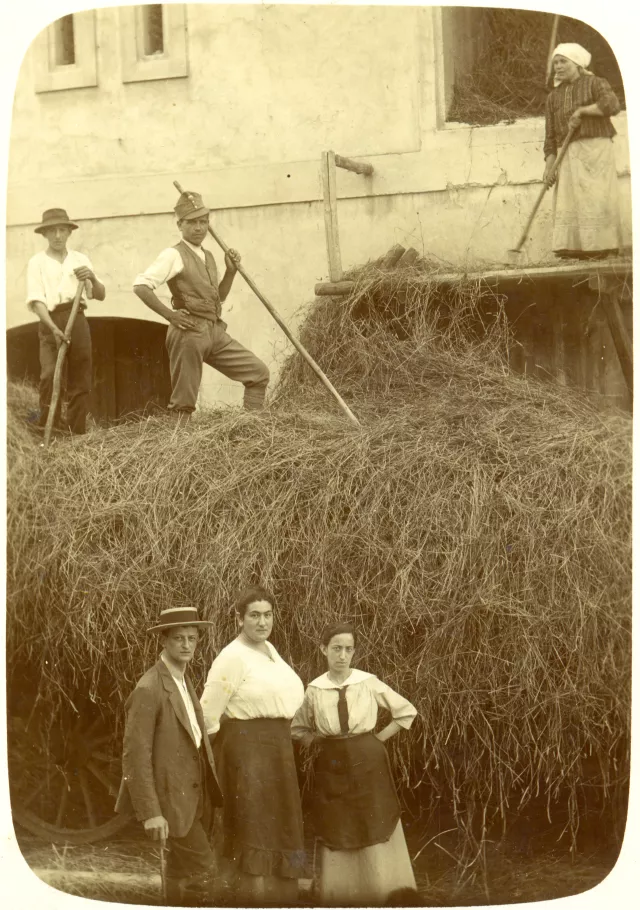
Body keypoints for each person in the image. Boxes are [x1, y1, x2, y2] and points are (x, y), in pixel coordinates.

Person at [292, 623, 418, 907]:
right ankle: (341, 894)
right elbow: (297, 728)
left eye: (349, 649)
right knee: (339, 823)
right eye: (336, 648)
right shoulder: (314, 689)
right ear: (323, 649)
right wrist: (320, 744)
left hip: (368, 762)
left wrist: (378, 740)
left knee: (374, 818)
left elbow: (406, 711)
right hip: (333, 765)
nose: (342, 655)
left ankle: (385, 890)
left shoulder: (368, 682)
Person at [200, 586, 305, 906]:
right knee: (252, 824)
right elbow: (207, 714)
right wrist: (229, 758)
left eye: (268, 615)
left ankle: (280, 898)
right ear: (239, 619)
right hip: (246, 753)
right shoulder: (232, 657)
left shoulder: (270, 651)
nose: (262, 622)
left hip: (277, 751)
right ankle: (250, 898)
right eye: (255, 616)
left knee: (280, 824)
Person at [115, 607, 223, 907]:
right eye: (178, 638)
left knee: (178, 872)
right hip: (171, 803)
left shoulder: (184, 681)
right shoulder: (149, 688)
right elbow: (135, 756)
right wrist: (151, 812)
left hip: (194, 800)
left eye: (192, 638)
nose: (187, 645)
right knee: (205, 871)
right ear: (163, 640)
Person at [133, 191, 270, 422]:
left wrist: (230, 271)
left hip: (213, 331)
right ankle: (179, 449)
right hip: (188, 332)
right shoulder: (173, 254)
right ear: (180, 224)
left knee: (258, 373)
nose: (199, 228)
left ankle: (251, 429)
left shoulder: (208, 256)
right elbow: (141, 286)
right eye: (192, 222)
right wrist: (171, 315)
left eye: (203, 222)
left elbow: (218, 298)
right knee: (184, 402)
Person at [26, 207, 106, 435]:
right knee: (49, 374)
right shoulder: (37, 262)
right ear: (45, 234)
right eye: (52, 231)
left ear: (69, 232)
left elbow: (99, 294)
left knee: (81, 375)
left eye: (62, 230)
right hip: (50, 320)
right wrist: (53, 328)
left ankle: (75, 429)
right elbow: (36, 301)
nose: (58, 236)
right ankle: (48, 426)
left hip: (77, 319)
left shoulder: (80, 260)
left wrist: (90, 276)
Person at [543, 43, 622, 260]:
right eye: (555, 62)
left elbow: (612, 104)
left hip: (595, 150)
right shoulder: (553, 97)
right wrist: (550, 167)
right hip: (566, 153)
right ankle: (575, 248)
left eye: (563, 61)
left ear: (577, 63)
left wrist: (583, 111)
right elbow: (549, 135)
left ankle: (601, 247)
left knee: (594, 196)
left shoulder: (595, 83)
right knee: (572, 200)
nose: (558, 66)